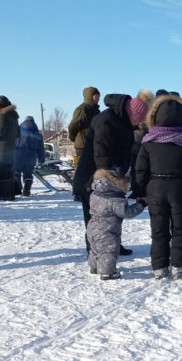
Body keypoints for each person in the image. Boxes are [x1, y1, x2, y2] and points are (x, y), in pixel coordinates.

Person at [134, 94, 182, 281]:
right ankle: (179, 265)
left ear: (155, 117)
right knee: (181, 229)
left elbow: (140, 170)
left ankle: (159, 266)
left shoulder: (149, 141)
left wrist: (141, 191)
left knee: (159, 229)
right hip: (179, 189)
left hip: (155, 188)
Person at [72, 93, 135, 256]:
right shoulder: (106, 120)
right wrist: (107, 179)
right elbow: (101, 153)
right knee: (95, 217)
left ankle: (113, 245)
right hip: (94, 177)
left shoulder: (122, 120)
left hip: (113, 175)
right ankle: (94, 251)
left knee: (112, 214)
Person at [86, 169, 145, 280]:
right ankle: (107, 273)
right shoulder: (114, 200)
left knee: (95, 248)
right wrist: (141, 204)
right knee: (108, 250)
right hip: (107, 230)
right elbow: (127, 212)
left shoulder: (95, 193)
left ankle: (94, 267)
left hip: (92, 226)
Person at [0, 95, 20, 200]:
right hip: (10, 147)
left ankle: (4, 194)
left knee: (1, 171)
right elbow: (18, 133)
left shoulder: (3, 115)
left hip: (0, 148)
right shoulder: (14, 116)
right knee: (8, 171)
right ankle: (9, 194)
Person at [14, 115, 46, 197]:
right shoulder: (38, 135)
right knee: (28, 174)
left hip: (18, 154)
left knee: (16, 171)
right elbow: (41, 148)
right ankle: (27, 190)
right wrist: (41, 159)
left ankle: (18, 187)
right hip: (31, 156)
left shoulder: (19, 130)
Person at [68, 86, 100, 162]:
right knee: (82, 169)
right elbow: (73, 126)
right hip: (82, 145)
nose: (98, 99)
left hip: (92, 144)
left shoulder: (96, 111)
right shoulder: (83, 109)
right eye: (96, 96)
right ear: (90, 97)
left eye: (98, 97)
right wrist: (74, 138)